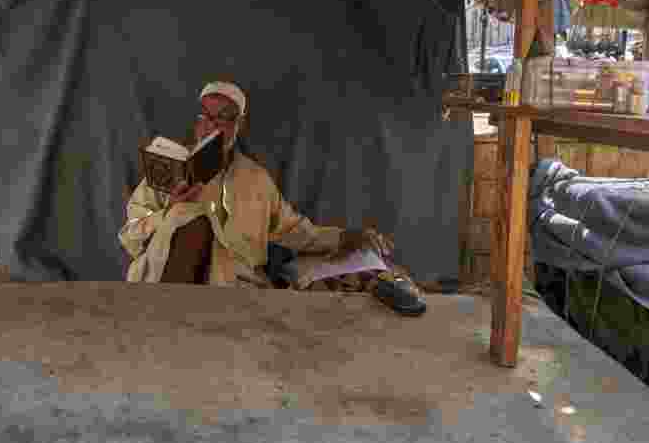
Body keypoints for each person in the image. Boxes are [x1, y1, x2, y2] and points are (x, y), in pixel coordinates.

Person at [119, 81, 426, 316]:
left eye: (224, 118)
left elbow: (298, 233)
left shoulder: (257, 181)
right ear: (198, 123)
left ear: (239, 125)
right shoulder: (168, 173)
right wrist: (171, 209)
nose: (213, 126)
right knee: (188, 218)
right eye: (207, 117)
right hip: (162, 290)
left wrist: (346, 236)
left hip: (234, 294)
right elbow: (130, 237)